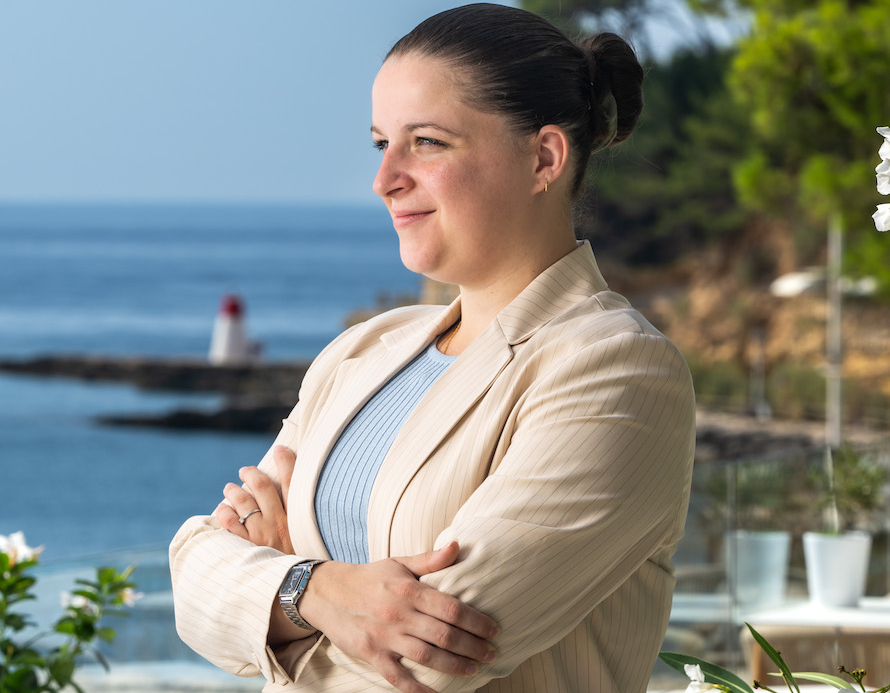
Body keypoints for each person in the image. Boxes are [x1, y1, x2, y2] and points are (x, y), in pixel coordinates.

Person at [170, 4, 696, 693]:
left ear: (542, 158)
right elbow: (189, 577)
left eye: (426, 142)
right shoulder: (364, 352)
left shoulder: (618, 369)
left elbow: (431, 655)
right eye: (380, 142)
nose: (384, 178)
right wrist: (315, 589)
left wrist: (264, 604)